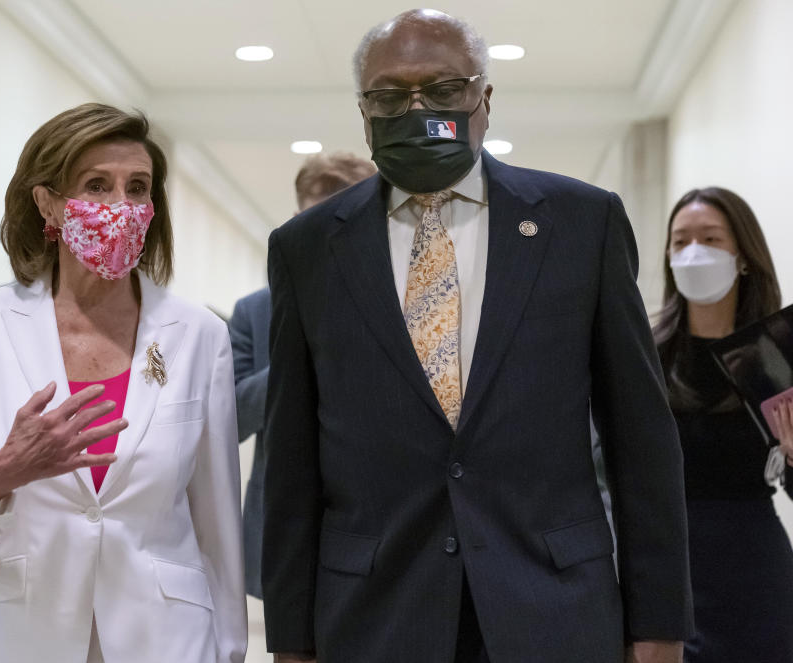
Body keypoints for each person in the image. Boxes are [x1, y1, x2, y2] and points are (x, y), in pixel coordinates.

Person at [261, 9, 691, 663]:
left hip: (553, 607)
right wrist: (289, 642)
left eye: (441, 89)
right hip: (376, 615)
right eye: (389, 94)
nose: (415, 108)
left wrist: (659, 627)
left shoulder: (581, 223)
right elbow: (290, 461)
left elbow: (642, 442)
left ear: (483, 99)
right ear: (363, 109)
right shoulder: (309, 248)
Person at [0, 103, 247, 663]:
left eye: (138, 188)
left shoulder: (199, 334)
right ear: (49, 203)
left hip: (164, 638)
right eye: (96, 185)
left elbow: (217, 523)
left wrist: (230, 651)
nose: (122, 205)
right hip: (18, 634)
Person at [653, 187, 793, 662]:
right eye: (680, 241)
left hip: (756, 568)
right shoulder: (646, 356)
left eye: (711, 239)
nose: (694, 252)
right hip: (664, 565)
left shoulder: (774, 357)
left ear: (744, 257)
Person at [228, 151, 376, 599]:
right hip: (285, 530)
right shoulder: (254, 311)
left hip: (385, 528)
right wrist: (297, 359)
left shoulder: (410, 305)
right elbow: (228, 417)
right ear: (295, 221)